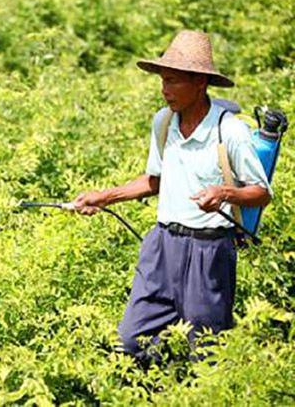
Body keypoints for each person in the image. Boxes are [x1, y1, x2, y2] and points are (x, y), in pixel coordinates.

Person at [72, 30, 272, 362]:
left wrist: (225, 193)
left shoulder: (230, 131)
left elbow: (261, 193)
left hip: (209, 251)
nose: (165, 90)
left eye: (174, 81)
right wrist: (102, 197)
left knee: (205, 352)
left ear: (200, 83)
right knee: (131, 343)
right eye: (163, 80)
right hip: (162, 247)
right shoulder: (163, 122)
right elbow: (155, 181)